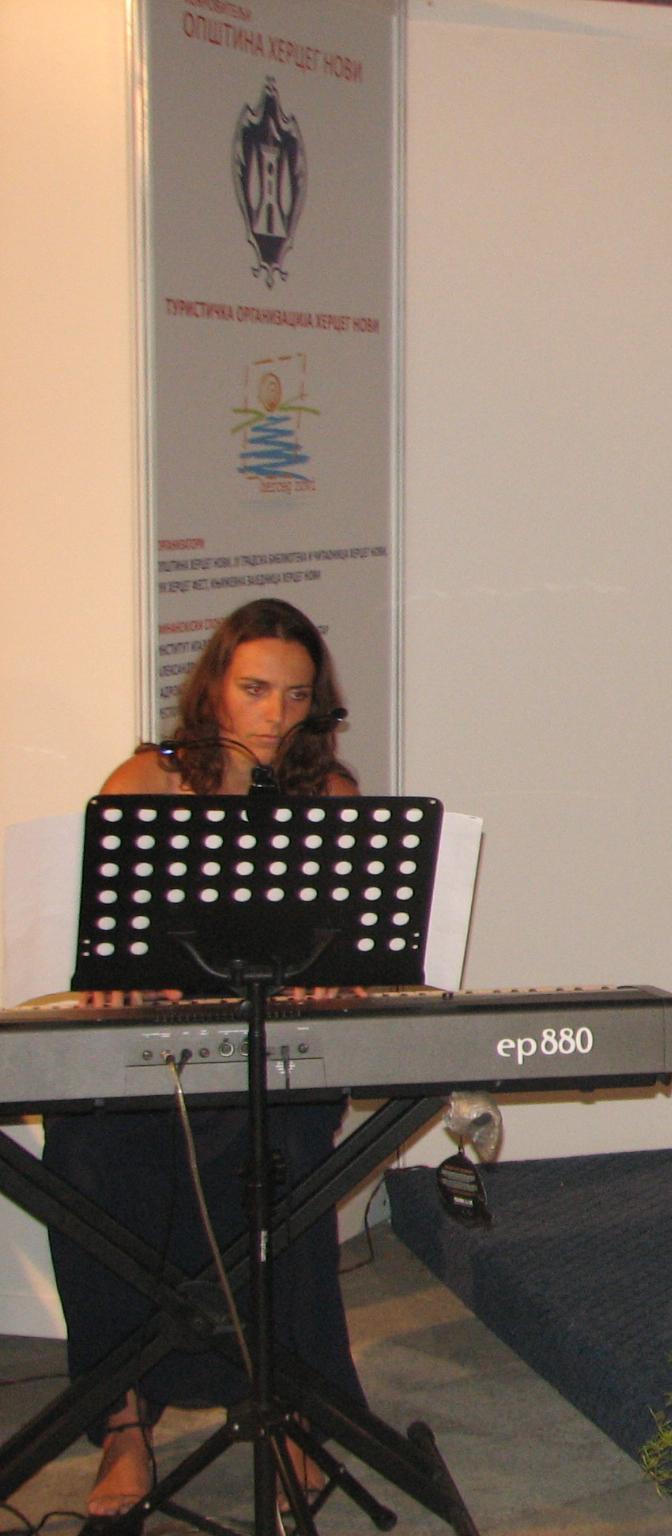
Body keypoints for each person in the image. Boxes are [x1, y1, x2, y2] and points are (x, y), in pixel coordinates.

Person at [42, 598, 365, 1516]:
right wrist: (118, 977)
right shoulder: (146, 780)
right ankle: (123, 1424)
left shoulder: (327, 795)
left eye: (295, 696)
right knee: (85, 1156)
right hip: (158, 1060)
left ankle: (291, 1406)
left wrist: (333, 978)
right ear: (214, 687)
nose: (274, 715)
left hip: (270, 1055)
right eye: (255, 689)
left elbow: (346, 952)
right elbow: (101, 947)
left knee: (289, 1150)